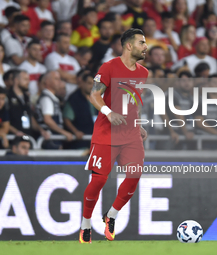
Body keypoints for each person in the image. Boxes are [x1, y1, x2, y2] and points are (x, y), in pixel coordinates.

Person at [79, 28, 148, 243]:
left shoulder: (143, 73)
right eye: (141, 43)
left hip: (130, 133)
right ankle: (85, 224)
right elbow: (94, 95)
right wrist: (108, 113)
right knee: (99, 180)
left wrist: (138, 123)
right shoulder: (109, 67)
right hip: (106, 132)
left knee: (135, 175)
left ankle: (111, 215)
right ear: (129, 45)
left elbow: (133, 101)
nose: (146, 47)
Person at [36, 71, 73, 149]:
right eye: (56, 79)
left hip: (53, 137)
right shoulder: (46, 98)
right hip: (50, 138)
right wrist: (64, 133)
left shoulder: (52, 97)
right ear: (47, 81)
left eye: (59, 79)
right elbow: (48, 120)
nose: (59, 81)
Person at [7, 70, 49, 138]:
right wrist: (16, 132)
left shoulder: (27, 98)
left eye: (28, 79)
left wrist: (41, 130)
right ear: (16, 80)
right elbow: (3, 119)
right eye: (25, 79)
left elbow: (31, 118)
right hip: (12, 138)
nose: (28, 82)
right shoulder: (7, 96)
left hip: (27, 136)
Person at [63, 72, 97, 149]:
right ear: (82, 83)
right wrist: (76, 131)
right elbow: (67, 119)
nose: (92, 86)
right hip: (80, 142)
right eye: (89, 83)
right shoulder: (74, 99)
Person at [45, 34, 81, 98]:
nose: (68, 45)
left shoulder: (73, 60)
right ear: (58, 44)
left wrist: (68, 78)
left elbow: (81, 77)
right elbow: (60, 75)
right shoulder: (51, 57)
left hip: (75, 95)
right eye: (65, 43)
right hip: (58, 95)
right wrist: (75, 79)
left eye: (68, 43)